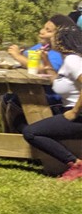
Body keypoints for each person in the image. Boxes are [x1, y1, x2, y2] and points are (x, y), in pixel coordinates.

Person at [21, 24, 82, 180]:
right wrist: (46, 61)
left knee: (31, 132)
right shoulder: (69, 59)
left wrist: (74, 112)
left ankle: (76, 164)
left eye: (54, 36)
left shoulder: (73, 61)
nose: (51, 40)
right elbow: (58, 82)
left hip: (78, 115)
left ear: (61, 41)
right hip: (68, 110)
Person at [0, 15, 75, 133]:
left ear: (61, 35)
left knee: (13, 102)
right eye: (43, 28)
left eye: (48, 30)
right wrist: (22, 56)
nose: (42, 31)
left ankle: (26, 135)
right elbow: (28, 56)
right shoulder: (43, 47)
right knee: (6, 98)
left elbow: (43, 69)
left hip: (53, 100)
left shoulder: (59, 53)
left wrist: (18, 56)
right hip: (38, 92)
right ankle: (12, 133)